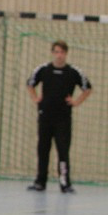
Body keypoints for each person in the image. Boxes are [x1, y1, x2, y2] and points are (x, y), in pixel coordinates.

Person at [26, 40, 92, 193]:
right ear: (52, 53)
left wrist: (76, 102)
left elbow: (87, 88)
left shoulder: (73, 72)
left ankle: (64, 183)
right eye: (56, 52)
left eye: (62, 52)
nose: (59, 55)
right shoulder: (43, 70)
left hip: (63, 118)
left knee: (63, 150)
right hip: (45, 117)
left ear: (66, 54)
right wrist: (35, 98)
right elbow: (30, 84)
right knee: (43, 149)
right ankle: (40, 181)